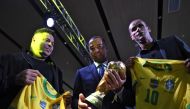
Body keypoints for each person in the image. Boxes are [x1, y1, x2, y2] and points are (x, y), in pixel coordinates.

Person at [121, 19, 190, 108]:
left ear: (148, 29)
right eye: (133, 29)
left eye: (140, 26)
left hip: (183, 102)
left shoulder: (172, 42)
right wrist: (126, 75)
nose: (137, 29)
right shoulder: (134, 65)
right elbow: (129, 102)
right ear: (132, 37)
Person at [0, 28, 71, 109]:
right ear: (34, 39)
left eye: (52, 43)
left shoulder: (57, 72)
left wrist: (64, 100)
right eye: (47, 40)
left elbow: (56, 100)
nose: (50, 45)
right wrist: (15, 80)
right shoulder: (9, 59)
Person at [71, 36, 128, 109]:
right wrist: (78, 105)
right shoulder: (81, 72)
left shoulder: (120, 68)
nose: (96, 50)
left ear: (106, 48)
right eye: (92, 48)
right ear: (90, 52)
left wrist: (119, 91)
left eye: (99, 46)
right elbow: (74, 99)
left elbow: (130, 99)